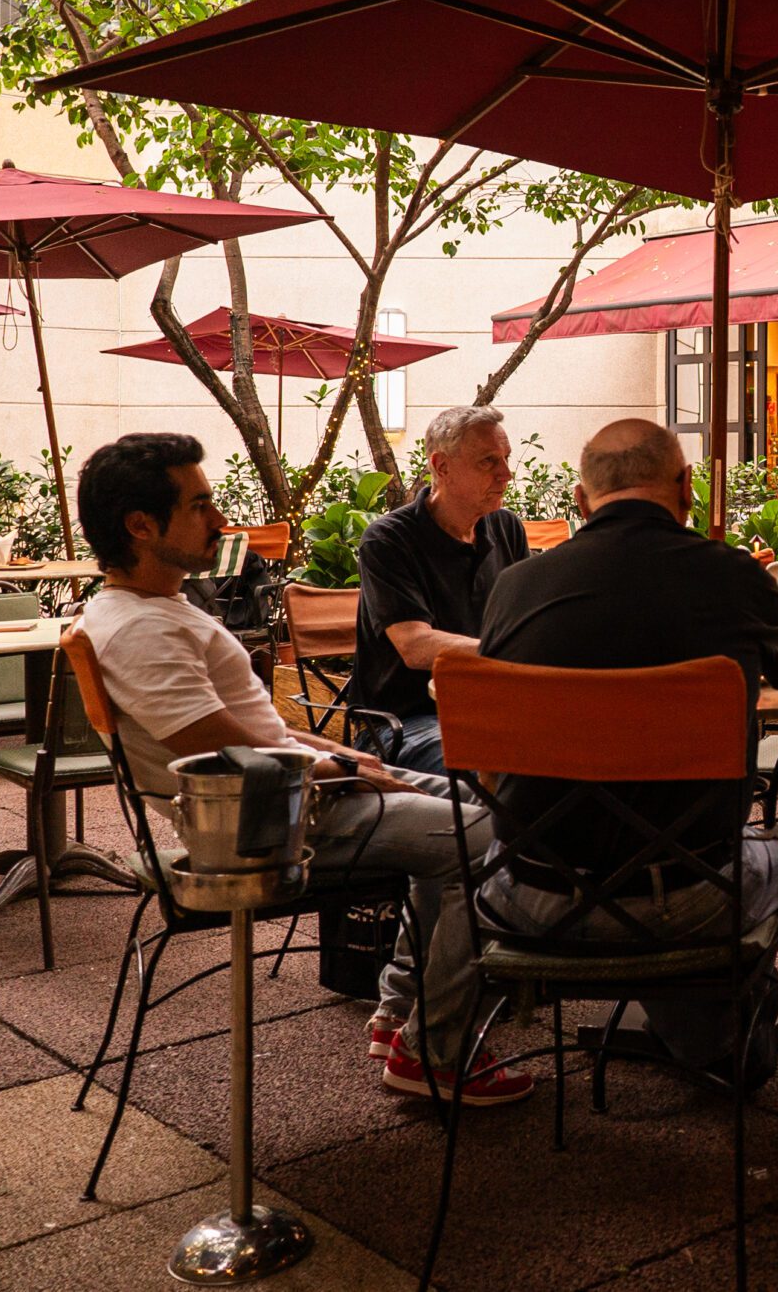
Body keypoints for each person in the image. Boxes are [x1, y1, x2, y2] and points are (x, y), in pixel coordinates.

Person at [74, 434, 529, 1105]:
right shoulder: (140, 628)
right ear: (141, 527)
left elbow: (245, 729)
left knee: (498, 811)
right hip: (259, 824)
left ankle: (402, 1011)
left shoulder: (156, 608)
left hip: (286, 796)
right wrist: (335, 766)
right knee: (484, 841)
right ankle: (437, 1048)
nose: (220, 520)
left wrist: (347, 757)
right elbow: (220, 748)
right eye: (200, 506)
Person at [474, 419, 778, 1083]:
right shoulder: (732, 575)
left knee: (645, 843)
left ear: (580, 499)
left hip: (533, 896)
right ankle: (717, 1038)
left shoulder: (514, 586)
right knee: (773, 849)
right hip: (682, 898)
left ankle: (697, 1034)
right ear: (686, 487)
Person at [350, 406, 529, 774]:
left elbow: (527, 620)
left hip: (495, 710)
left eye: (506, 459)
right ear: (442, 466)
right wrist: (509, 650)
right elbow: (415, 646)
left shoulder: (506, 527)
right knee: (506, 765)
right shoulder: (389, 540)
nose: (506, 474)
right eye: (488, 462)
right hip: (407, 722)